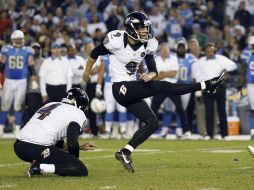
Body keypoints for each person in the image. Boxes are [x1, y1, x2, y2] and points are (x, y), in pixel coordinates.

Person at [83, 11, 226, 173]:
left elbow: (153, 69)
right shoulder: (116, 40)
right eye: (143, 29)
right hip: (120, 87)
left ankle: (125, 151)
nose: (146, 32)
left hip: (131, 88)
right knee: (164, 86)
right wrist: (86, 72)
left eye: (146, 28)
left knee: (153, 123)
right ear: (131, 28)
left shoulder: (148, 44)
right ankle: (207, 84)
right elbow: (95, 52)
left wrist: (152, 74)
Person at [14, 88, 96, 177]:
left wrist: (80, 147)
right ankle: (39, 167)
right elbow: (72, 142)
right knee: (81, 169)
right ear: (80, 105)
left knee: (50, 147)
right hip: (38, 148)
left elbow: (55, 142)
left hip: (19, 146)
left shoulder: (50, 104)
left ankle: (38, 162)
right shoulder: (77, 112)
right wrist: (72, 162)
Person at [0, 30, 37, 136]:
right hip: (9, 80)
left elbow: (31, 65)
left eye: (20, 39)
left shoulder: (27, 50)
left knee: (19, 105)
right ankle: (1, 129)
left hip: (22, 81)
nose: (18, 41)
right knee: (5, 105)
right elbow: (1, 65)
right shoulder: (6, 50)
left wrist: (34, 80)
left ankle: (16, 129)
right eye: (16, 40)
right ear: (12, 40)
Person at [199, 43, 237, 140]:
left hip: (220, 86)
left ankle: (225, 134)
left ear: (214, 50)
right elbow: (198, 74)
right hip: (207, 87)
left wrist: (225, 69)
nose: (210, 53)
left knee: (222, 111)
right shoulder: (201, 61)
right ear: (205, 52)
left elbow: (234, 65)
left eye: (211, 51)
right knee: (209, 111)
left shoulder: (221, 58)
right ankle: (209, 134)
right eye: (208, 51)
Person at [150, 43, 188, 139]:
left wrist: (162, 74)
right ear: (160, 51)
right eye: (164, 50)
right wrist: (166, 74)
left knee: (180, 108)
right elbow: (154, 75)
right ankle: (147, 130)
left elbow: (174, 73)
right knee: (153, 109)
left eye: (167, 50)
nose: (166, 52)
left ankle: (186, 130)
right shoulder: (156, 59)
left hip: (172, 86)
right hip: (160, 87)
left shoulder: (174, 58)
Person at [239, 36, 254, 139]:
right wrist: (240, 84)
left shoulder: (247, 53)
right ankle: (253, 131)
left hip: (250, 85)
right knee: (253, 109)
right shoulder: (247, 54)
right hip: (251, 85)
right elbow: (243, 71)